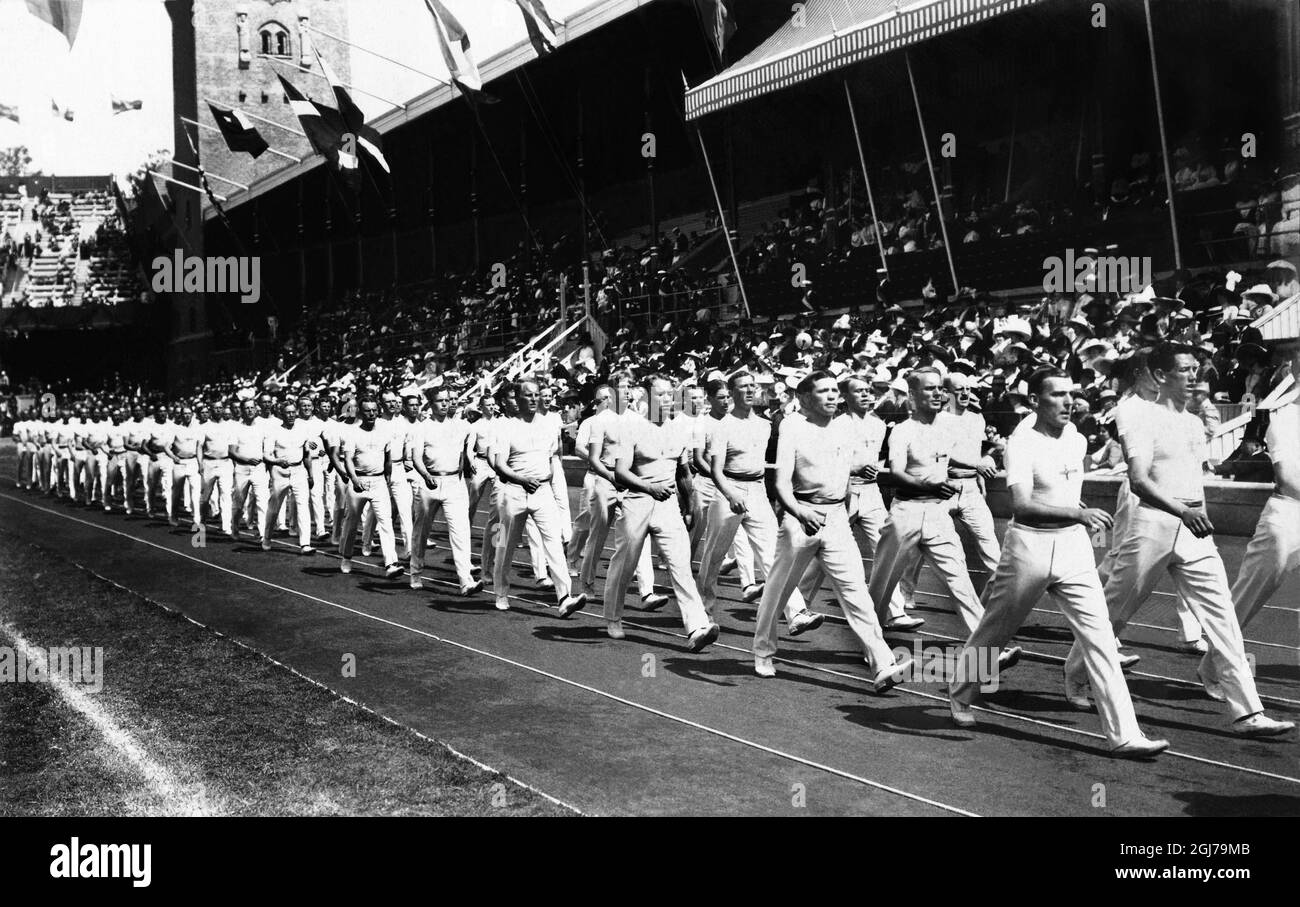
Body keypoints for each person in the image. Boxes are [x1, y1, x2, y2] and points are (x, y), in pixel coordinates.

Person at [1064, 343, 1293, 737]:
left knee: (1222, 618)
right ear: (1158, 376)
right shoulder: (1139, 418)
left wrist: (1196, 513)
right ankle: (1075, 670)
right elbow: (1139, 480)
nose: (1193, 378)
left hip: (1193, 530)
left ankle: (1247, 711)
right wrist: (1181, 511)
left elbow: (1191, 479)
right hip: (1151, 524)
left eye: (1196, 370)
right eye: (1185, 371)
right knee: (1116, 609)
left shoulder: (1191, 422)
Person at [948, 368, 1168, 757]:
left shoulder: (1077, 438)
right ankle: (962, 693)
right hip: (1029, 548)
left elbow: (1066, 490)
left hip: (1073, 548)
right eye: (1057, 395)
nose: (1070, 402)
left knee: (1100, 636)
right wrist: (1078, 514)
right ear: (1035, 401)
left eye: (1072, 394)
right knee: (995, 629)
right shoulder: (1021, 442)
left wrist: (1077, 514)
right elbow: (1022, 505)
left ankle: (1124, 735)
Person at [753, 371, 912, 690]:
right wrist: (798, 511)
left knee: (855, 592)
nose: (830, 396)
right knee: (780, 589)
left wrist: (853, 486)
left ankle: (882, 663)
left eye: (832, 391)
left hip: (837, 517)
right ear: (804, 398)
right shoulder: (792, 425)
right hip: (801, 515)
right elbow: (782, 482)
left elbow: (843, 466)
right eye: (822, 392)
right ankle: (763, 651)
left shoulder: (843, 426)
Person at [869, 369, 1020, 671]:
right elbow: (896, 472)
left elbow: (955, 457)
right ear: (912, 396)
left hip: (938, 514)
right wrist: (929, 484)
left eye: (940, 389)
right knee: (882, 588)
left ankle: (988, 650)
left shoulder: (948, 426)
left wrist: (981, 462)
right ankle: (872, 646)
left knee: (960, 581)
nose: (938, 394)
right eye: (929, 390)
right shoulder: (902, 430)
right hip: (905, 513)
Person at [1199, 336, 1300, 698]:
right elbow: (1288, 479)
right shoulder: (1284, 420)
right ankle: (1213, 665)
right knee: (1245, 600)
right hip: (1288, 520)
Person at [591, 375, 719, 651]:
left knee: (681, 565)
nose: (668, 400)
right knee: (625, 563)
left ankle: (696, 626)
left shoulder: (678, 429)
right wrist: (649, 487)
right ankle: (613, 618)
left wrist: (692, 504)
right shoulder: (631, 427)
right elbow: (621, 472)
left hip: (668, 504)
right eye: (661, 395)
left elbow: (683, 472)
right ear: (646, 397)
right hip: (637, 501)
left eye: (671, 395)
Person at [697, 371, 823, 634]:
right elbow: (717, 469)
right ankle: (702, 614)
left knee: (772, 554)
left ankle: (796, 612)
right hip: (729, 490)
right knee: (713, 557)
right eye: (744, 386)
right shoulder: (723, 426)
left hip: (757, 490)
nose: (751, 390)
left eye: (753, 385)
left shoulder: (765, 425)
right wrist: (731, 494)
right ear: (732, 393)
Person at [1099, 352, 1206, 657]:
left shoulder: (1169, 405)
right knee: (1120, 562)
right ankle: (1092, 615)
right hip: (1141, 493)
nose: (1159, 377)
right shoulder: (1127, 408)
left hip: (1178, 495)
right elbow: (1138, 467)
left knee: (1191, 557)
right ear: (1139, 374)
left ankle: (1190, 633)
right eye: (1151, 372)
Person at [796, 374, 913, 625]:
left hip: (870, 493)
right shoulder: (836, 425)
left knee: (886, 547)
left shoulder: (879, 424)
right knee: (822, 549)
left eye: (868, 390)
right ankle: (798, 602)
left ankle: (895, 611)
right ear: (845, 397)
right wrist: (853, 468)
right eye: (858, 391)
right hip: (842, 493)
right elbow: (827, 461)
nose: (865, 395)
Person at [490, 380, 585, 613]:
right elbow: (500, 465)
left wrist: (549, 478)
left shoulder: (548, 425)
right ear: (518, 398)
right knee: (504, 544)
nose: (533, 399)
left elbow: (553, 456)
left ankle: (564, 597)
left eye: (536, 395)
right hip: (514, 492)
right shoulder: (506, 427)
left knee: (553, 542)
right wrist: (522, 479)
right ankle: (501, 592)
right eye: (527, 395)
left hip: (542, 492)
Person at [576, 383, 661, 606]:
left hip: (631, 482)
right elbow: (593, 458)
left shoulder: (638, 421)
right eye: (622, 394)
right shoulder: (599, 421)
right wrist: (612, 477)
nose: (627, 398)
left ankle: (646, 591)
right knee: (598, 533)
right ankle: (587, 585)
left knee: (638, 534)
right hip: (605, 479)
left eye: (629, 394)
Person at [408, 386, 483, 596]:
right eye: (440, 401)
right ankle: (415, 572)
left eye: (447, 400)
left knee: (461, 531)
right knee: (421, 532)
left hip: (454, 484)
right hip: (428, 483)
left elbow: (468, 445)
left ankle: (465, 581)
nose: (445, 404)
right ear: (431, 404)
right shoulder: (421, 428)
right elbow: (416, 458)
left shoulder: (461, 426)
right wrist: (426, 476)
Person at [337, 399, 403, 577]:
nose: (372, 414)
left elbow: (388, 457)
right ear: (360, 413)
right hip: (358, 482)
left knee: (386, 522)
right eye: (367, 411)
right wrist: (354, 478)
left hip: (379, 481)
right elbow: (348, 459)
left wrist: (388, 476)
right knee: (351, 523)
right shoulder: (353, 434)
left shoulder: (384, 433)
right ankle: (346, 557)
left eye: (374, 410)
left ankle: (391, 563)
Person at [229, 399, 269, 543]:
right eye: (247, 408)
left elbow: (267, 448)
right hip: (242, 469)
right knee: (239, 504)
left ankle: (262, 533)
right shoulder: (236, 428)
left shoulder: (262, 427)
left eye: (252, 407)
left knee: (262, 502)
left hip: (259, 468)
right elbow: (232, 452)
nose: (250, 410)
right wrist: (247, 460)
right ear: (242, 410)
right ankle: (234, 527)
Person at [169, 405, 203, 530]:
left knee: (196, 491)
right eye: (185, 414)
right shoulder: (176, 429)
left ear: (192, 414)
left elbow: (199, 448)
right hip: (179, 464)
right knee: (176, 493)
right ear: (181, 415)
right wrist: (174, 457)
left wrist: (200, 464)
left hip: (193, 462)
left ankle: (197, 520)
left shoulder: (197, 429)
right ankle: (173, 515)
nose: (187, 416)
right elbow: (167, 447)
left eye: (189, 413)